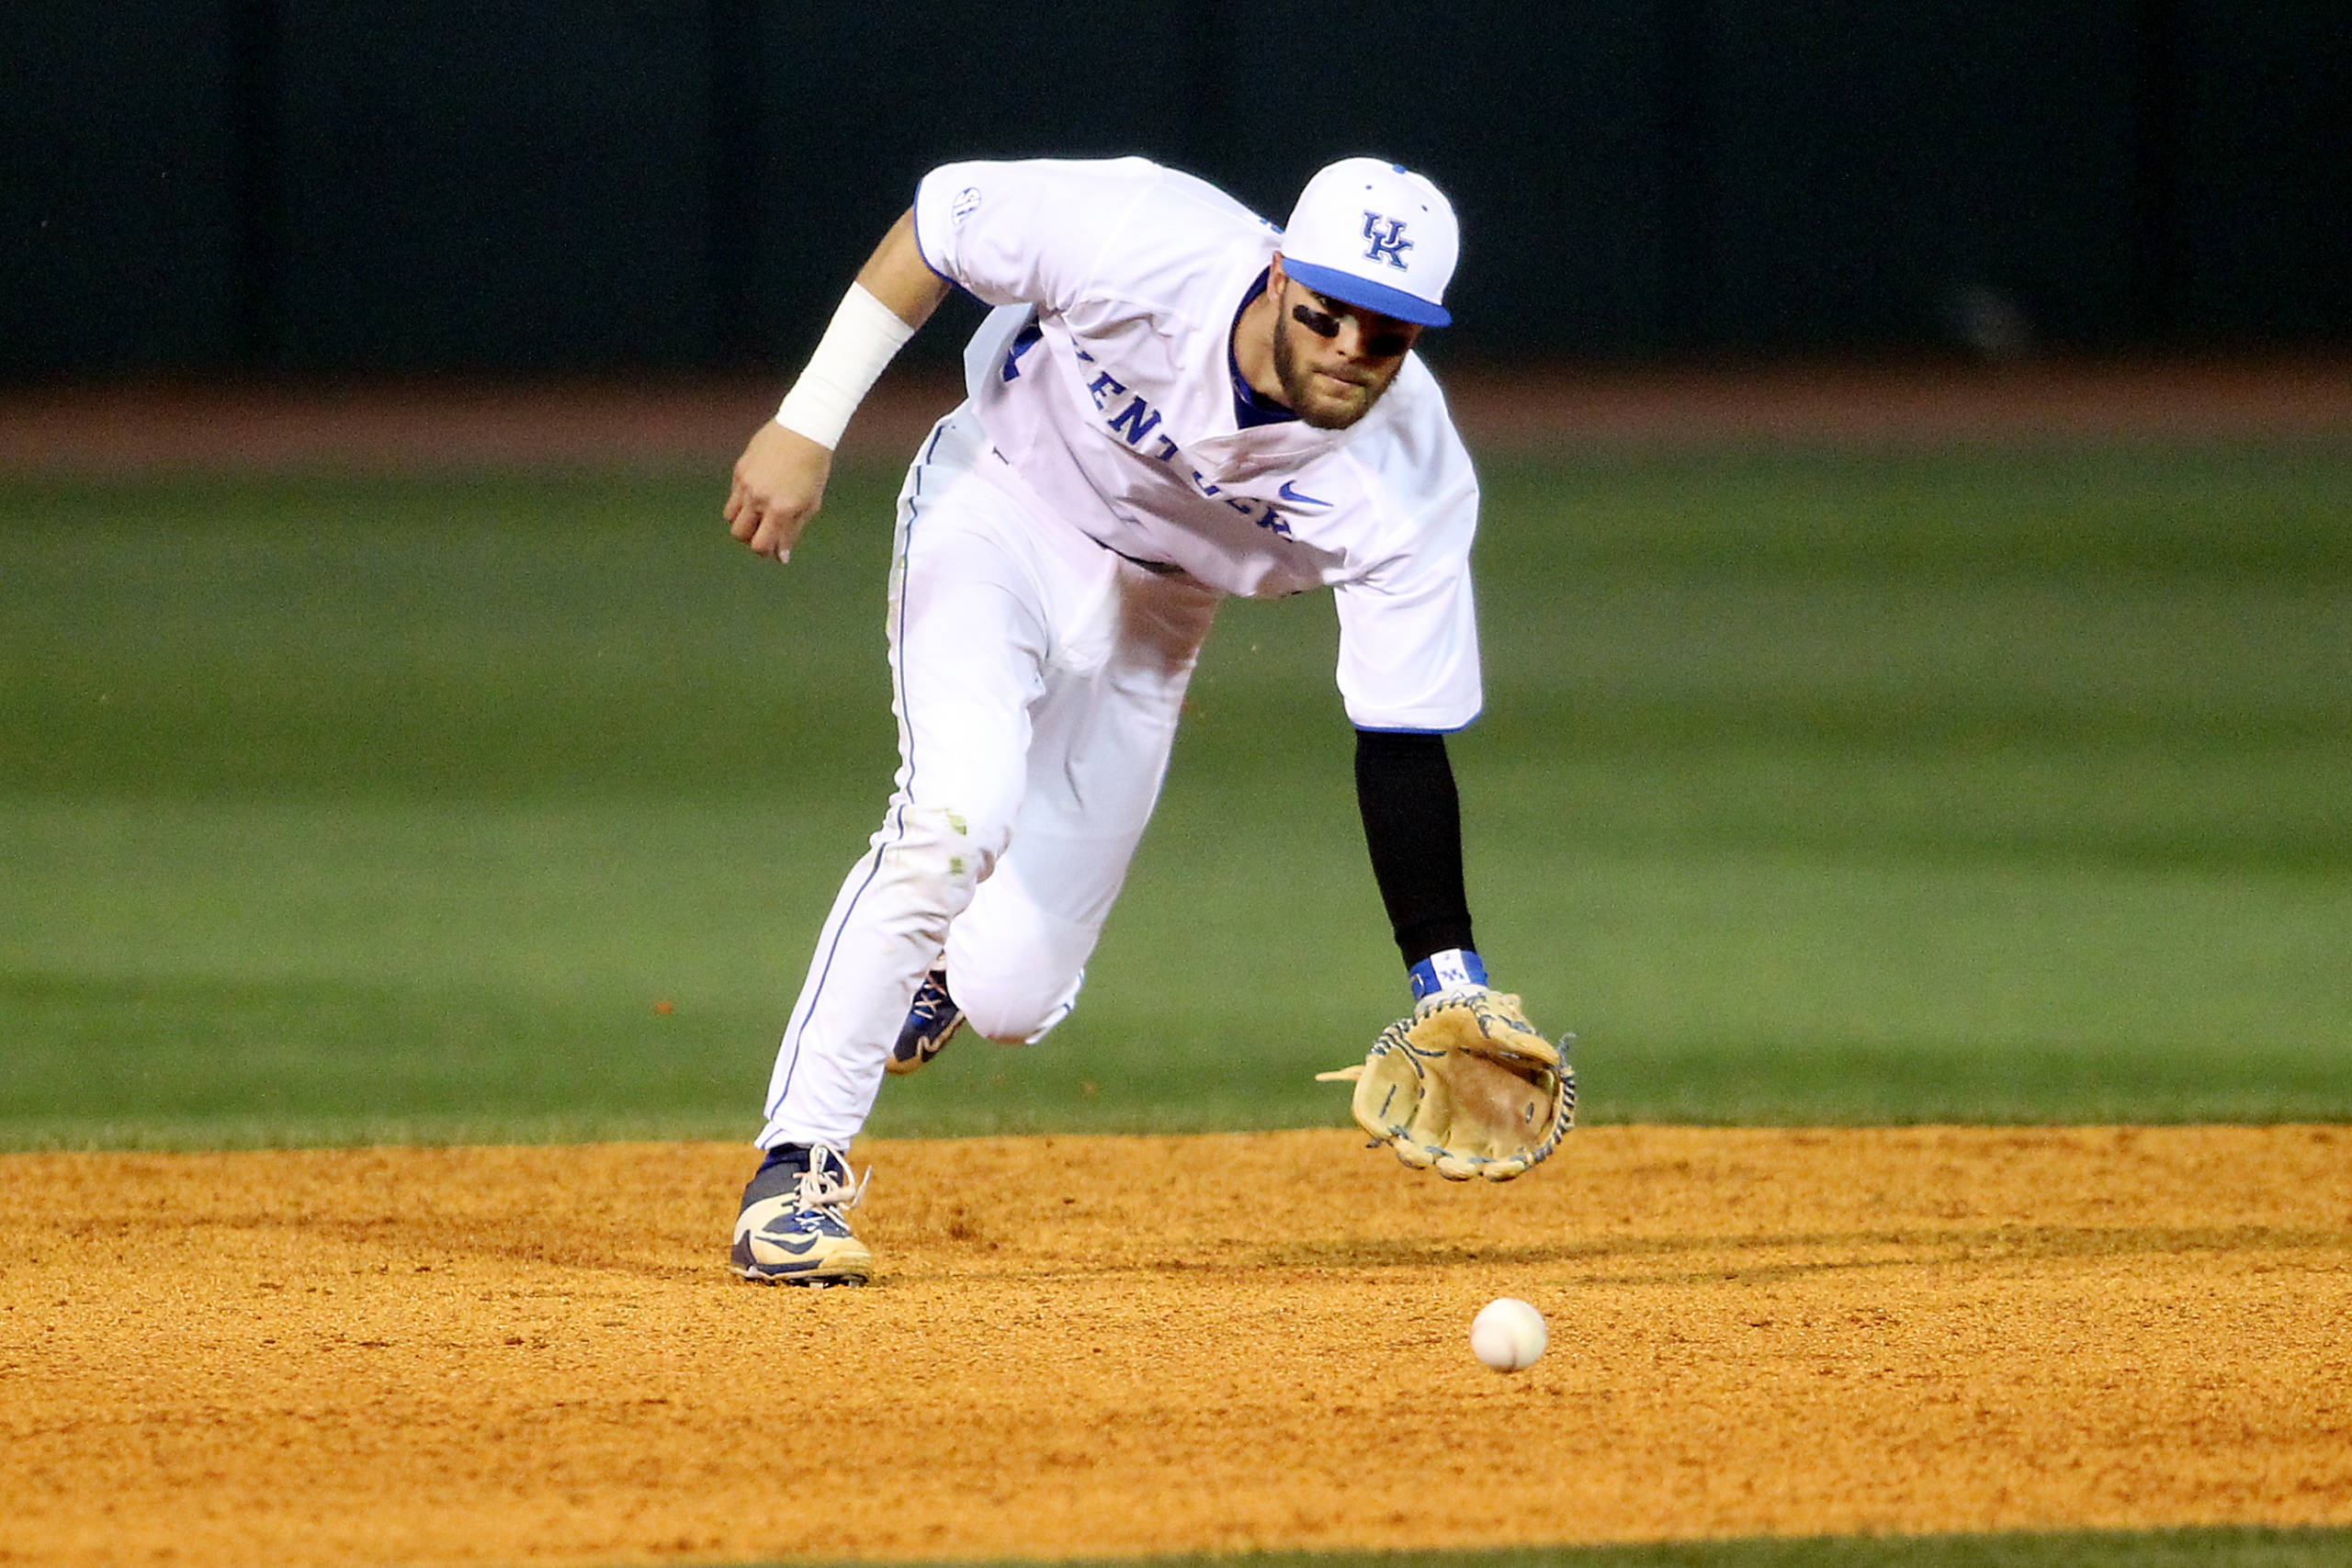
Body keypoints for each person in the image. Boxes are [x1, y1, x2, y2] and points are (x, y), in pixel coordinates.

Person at [724, 154, 1504, 1286]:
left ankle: (938, 971)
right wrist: (808, 423)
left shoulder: (1413, 485)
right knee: (955, 812)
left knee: (1012, 998)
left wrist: (1450, 979)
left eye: (1384, 335)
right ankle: (795, 1171)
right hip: (1000, 505)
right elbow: (940, 226)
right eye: (1327, 312)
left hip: (1160, 614)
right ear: (1280, 273)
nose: (1347, 348)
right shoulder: (1144, 236)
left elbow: (1400, 737)